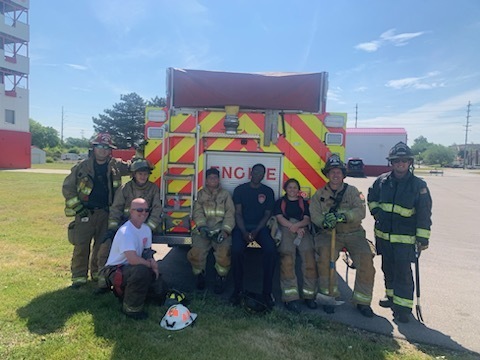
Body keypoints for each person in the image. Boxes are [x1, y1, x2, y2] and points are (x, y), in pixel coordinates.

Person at [368, 142, 432, 323]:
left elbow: (424, 213)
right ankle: (391, 298)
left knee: (403, 272)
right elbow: (371, 197)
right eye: (396, 161)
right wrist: (376, 213)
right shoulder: (382, 181)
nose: (400, 164)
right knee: (387, 268)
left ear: (409, 162)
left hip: (405, 239)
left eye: (404, 160)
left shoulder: (418, 186)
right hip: (383, 236)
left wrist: (423, 238)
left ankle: (403, 309)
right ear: (392, 163)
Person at [310, 155, 376, 318]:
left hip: (353, 233)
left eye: (338, 172)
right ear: (327, 174)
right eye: (332, 172)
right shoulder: (319, 195)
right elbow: (314, 214)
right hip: (328, 234)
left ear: (343, 174)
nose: (335, 175)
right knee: (325, 259)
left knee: (366, 260)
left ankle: (362, 301)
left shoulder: (353, 192)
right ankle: (328, 296)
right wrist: (323, 222)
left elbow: (360, 211)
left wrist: (343, 216)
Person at [62, 133, 130, 289]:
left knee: (102, 246)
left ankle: (97, 274)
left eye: (107, 148)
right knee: (81, 246)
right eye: (100, 147)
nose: (103, 151)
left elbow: (133, 167)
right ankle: (78, 278)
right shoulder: (81, 167)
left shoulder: (115, 166)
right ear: (94, 148)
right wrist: (78, 207)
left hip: (106, 213)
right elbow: (68, 188)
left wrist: (140, 152)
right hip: (86, 212)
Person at [95, 158, 163, 294]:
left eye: (145, 174)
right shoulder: (126, 188)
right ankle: (103, 282)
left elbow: (156, 210)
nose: (143, 176)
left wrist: (148, 228)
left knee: (145, 254)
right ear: (134, 174)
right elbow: (116, 208)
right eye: (140, 174)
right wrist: (113, 228)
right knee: (105, 249)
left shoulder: (153, 189)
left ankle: (145, 281)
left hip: (144, 227)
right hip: (124, 226)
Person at [103, 198, 166, 320]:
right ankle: (131, 309)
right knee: (141, 272)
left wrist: (153, 263)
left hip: (132, 268)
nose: (144, 213)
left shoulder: (146, 229)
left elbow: (147, 252)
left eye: (146, 210)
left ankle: (145, 296)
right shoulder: (126, 232)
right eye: (139, 210)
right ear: (131, 211)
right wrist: (149, 265)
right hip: (116, 270)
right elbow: (132, 259)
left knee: (158, 282)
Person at [230, 163, 277, 308]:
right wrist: (244, 232)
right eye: (255, 172)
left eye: (261, 173)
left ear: (264, 175)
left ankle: (267, 292)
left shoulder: (268, 191)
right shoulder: (240, 190)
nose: (258, 175)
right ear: (251, 173)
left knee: (271, 250)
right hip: (242, 228)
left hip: (260, 229)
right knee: (236, 251)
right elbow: (237, 213)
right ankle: (237, 290)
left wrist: (256, 231)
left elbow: (267, 215)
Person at [187, 167, 235, 294]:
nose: (213, 180)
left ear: (219, 180)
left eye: (215, 177)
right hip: (204, 231)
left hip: (220, 231)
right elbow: (197, 212)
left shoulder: (225, 195)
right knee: (196, 254)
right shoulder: (201, 194)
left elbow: (230, 214)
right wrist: (202, 227)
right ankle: (200, 275)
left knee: (224, 255)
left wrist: (225, 230)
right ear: (206, 180)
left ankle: (221, 277)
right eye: (210, 178)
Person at [273, 178, 317, 312]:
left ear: (299, 190)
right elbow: (279, 217)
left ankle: (309, 296)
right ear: (285, 189)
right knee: (287, 262)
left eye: (295, 187)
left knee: (309, 261)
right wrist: (293, 226)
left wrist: (298, 226)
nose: (292, 190)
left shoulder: (303, 203)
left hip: (302, 231)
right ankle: (290, 298)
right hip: (286, 230)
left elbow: (307, 218)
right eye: (290, 187)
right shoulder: (280, 202)